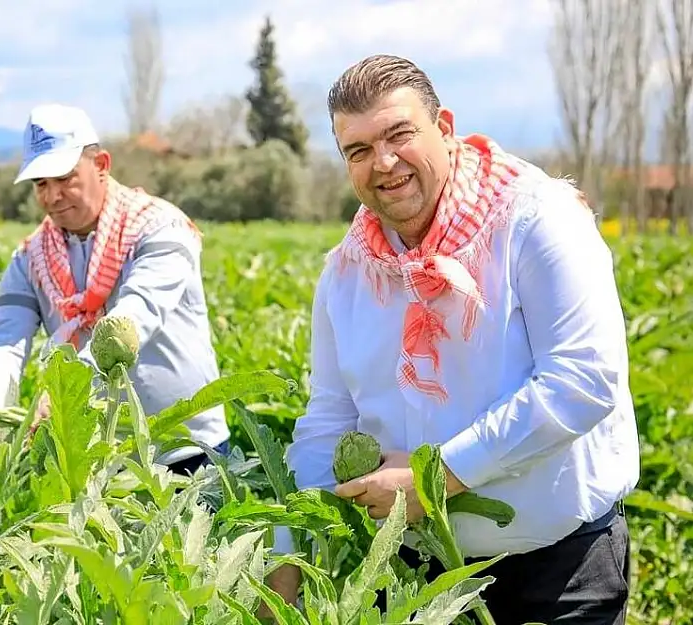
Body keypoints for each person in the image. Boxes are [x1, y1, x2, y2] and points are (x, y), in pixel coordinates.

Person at [266, 55, 640, 624]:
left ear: (444, 129)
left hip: (558, 567)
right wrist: (287, 555)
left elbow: (581, 382)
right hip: (419, 579)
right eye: (358, 150)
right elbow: (328, 419)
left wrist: (437, 479)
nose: (384, 162)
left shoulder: (535, 219)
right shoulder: (346, 272)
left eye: (399, 134)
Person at [0, 103, 231, 474]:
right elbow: (5, 338)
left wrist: (66, 391)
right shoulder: (30, 257)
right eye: (41, 184)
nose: (53, 195)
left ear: (102, 165)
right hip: (97, 460)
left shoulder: (160, 228)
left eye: (64, 178)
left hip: (186, 450)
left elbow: (136, 315)